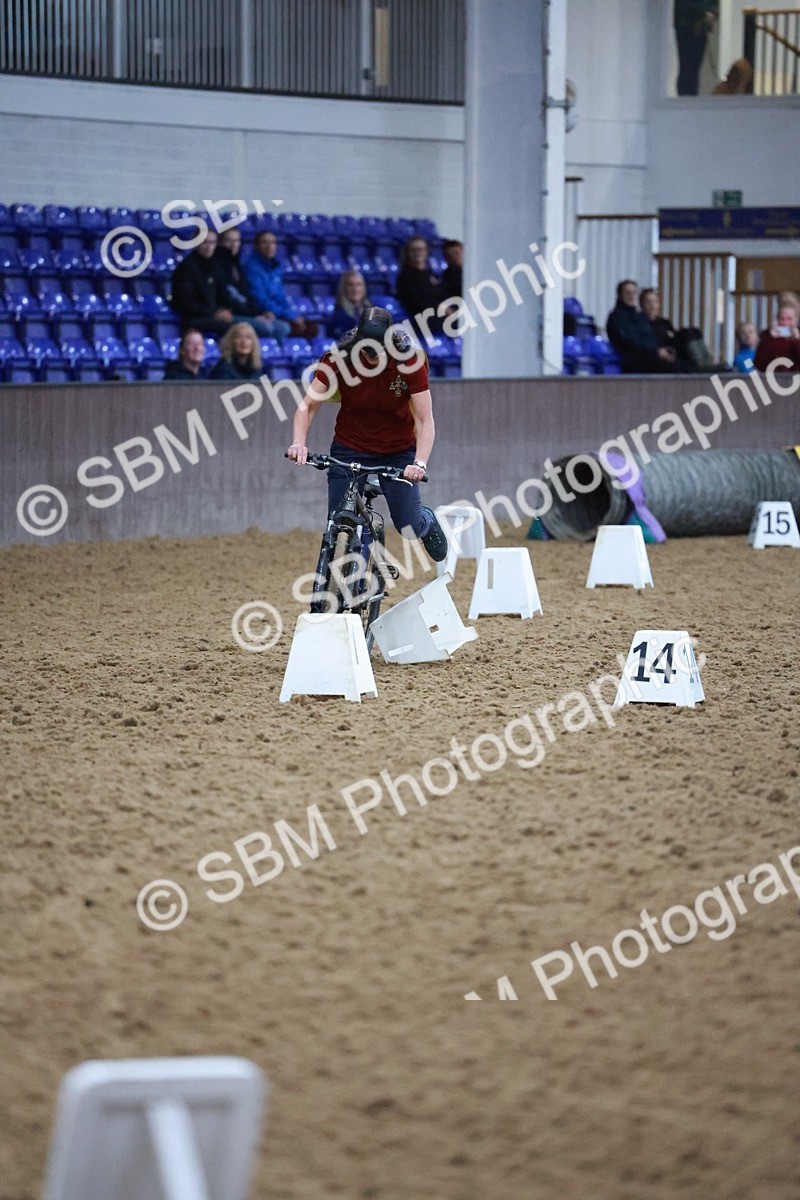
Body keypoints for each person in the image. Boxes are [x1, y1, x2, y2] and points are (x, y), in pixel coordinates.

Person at [286, 306, 448, 563]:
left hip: (397, 450)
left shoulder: (408, 363)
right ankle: (340, 582)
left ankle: (425, 522)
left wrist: (419, 463)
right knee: (338, 523)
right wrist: (299, 442)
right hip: (350, 447)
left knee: (407, 525)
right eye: (366, 352)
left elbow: (424, 419)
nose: (372, 359)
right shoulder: (339, 360)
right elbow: (307, 406)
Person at [243, 231, 317, 341]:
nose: (270, 246)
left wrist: (292, 315)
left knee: (312, 327)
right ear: (256, 246)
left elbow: (281, 297)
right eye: (264, 242)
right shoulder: (251, 267)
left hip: (279, 313)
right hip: (263, 312)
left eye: (273, 242)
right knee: (294, 328)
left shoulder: (276, 267)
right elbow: (260, 300)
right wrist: (289, 316)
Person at [216, 227, 281, 338]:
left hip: (246, 313)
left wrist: (260, 313)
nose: (233, 244)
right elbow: (230, 298)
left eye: (237, 240)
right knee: (268, 328)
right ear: (220, 243)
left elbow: (247, 295)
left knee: (282, 327)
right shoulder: (216, 266)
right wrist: (254, 315)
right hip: (230, 315)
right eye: (229, 240)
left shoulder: (238, 266)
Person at [170, 229, 233, 336]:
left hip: (212, 315)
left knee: (242, 325)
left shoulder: (215, 267)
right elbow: (186, 303)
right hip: (192, 318)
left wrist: (224, 310)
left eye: (212, 242)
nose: (208, 247)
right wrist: (214, 313)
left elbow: (224, 295)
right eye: (205, 242)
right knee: (231, 328)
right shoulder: (186, 268)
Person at [606, 280, 679, 373]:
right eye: (627, 293)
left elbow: (650, 337)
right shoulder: (617, 317)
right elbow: (631, 340)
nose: (631, 296)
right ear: (620, 295)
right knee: (673, 369)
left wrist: (663, 350)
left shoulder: (639, 316)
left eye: (633, 292)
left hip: (649, 355)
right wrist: (656, 351)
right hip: (633, 359)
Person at [639, 287, 716, 370]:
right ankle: (701, 367)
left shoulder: (664, 322)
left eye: (655, 302)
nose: (652, 306)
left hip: (673, 352)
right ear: (641, 304)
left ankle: (703, 363)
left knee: (692, 332)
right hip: (657, 355)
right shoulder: (639, 323)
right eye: (648, 302)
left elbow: (673, 337)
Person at [395, 236, 445, 342]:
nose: (418, 253)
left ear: (426, 251)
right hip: (419, 318)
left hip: (435, 314)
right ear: (408, 252)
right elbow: (414, 303)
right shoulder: (405, 276)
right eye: (414, 250)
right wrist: (439, 306)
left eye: (421, 249)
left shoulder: (429, 274)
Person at [674, 1, 719, 96]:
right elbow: (681, 6)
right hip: (686, 27)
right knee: (686, 68)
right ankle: (685, 97)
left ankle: (691, 96)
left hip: (699, 28)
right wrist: (704, 11)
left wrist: (712, 12)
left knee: (694, 69)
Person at [754, 304, 800, 373]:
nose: (785, 323)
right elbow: (759, 363)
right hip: (773, 379)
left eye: (789, 319)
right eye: (781, 319)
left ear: (796, 321)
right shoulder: (767, 336)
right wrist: (770, 340)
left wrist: (797, 341)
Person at [329, 270, 371, 340]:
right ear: (343, 288)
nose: (355, 289)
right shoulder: (339, 316)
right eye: (350, 285)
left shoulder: (371, 310)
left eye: (359, 284)